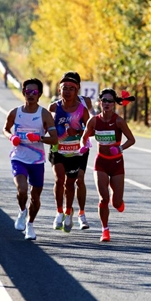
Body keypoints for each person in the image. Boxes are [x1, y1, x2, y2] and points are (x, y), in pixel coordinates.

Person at [3, 79, 58, 240]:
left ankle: (30, 224)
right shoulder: (15, 112)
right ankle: (22, 211)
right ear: (23, 93)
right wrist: (11, 137)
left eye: (34, 92)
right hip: (19, 158)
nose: (31, 95)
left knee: (35, 197)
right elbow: (5, 129)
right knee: (22, 190)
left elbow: (54, 139)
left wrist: (39, 138)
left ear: (39, 94)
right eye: (28, 91)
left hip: (37, 161)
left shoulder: (44, 114)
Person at [80, 89, 136, 242]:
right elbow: (84, 137)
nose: (107, 103)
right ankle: (105, 230)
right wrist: (83, 146)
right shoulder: (93, 121)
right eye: (104, 100)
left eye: (110, 101)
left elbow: (132, 140)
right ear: (100, 102)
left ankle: (118, 201)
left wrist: (120, 148)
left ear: (114, 104)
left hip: (117, 163)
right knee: (103, 199)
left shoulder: (119, 121)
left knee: (116, 203)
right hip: (101, 162)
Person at [48, 74, 91, 232]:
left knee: (70, 183)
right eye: (64, 88)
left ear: (76, 90)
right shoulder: (53, 107)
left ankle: (69, 211)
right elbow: (46, 126)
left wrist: (77, 131)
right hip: (58, 149)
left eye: (71, 89)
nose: (67, 91)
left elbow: (90, 130)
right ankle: (59, 212)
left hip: (75, 151)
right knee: (59, 180)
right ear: (59, 90)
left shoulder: (82, 109)